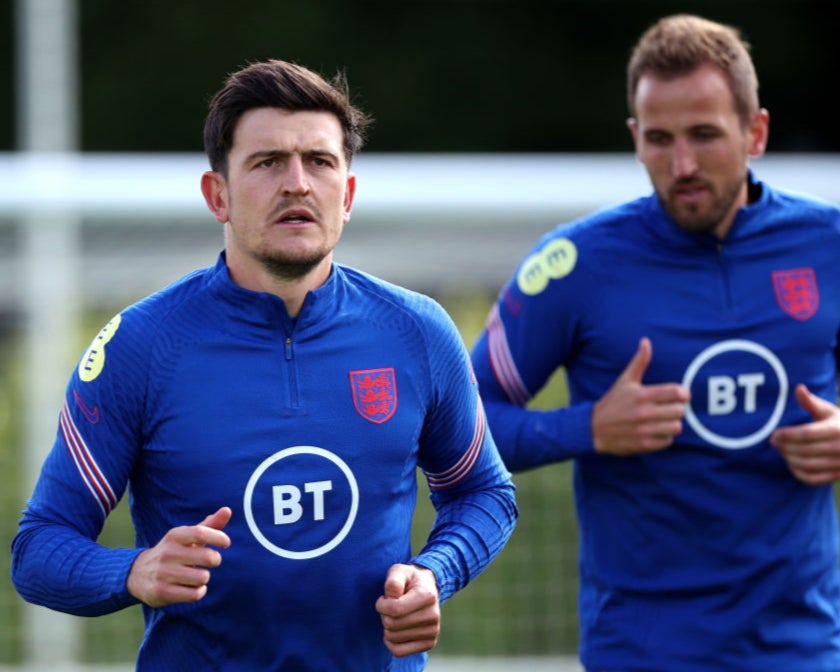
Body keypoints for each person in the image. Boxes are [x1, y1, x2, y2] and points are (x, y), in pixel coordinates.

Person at [11, 59, 518, 672]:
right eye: (268, 161)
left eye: (320, 162)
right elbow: (38, 550)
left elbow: (483, 491)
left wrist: (436, 573)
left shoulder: (417, 332)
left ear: (348, 195)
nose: (298, 183)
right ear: (217, 195)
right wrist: (133, 570)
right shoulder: (141, 347)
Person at [470, 13, 840, 672]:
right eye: (660, 140)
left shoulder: (834, 246)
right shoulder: (575, 265)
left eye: (704, 135)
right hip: (640, 650)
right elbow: (457, 427)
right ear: (635, 139)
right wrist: (587, 427)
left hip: (797, 646)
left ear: (755, 132)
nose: (682, 164)